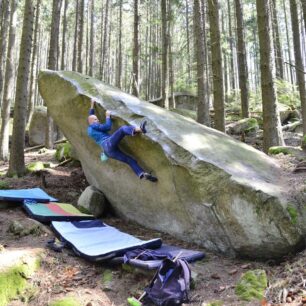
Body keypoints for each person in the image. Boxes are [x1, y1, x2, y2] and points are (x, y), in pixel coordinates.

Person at [87, 99, 158, 182]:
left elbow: (90, 117)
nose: (98, 120)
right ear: (92, 122)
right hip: (108, 143)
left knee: (130, 160)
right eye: (96, 120)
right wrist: (107, 116)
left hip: (108, 152)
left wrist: (92, 105)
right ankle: (140, 129)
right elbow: (107, 127)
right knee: (123, 129)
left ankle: (141, 173)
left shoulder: (90, 128)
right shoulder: (94, 126)